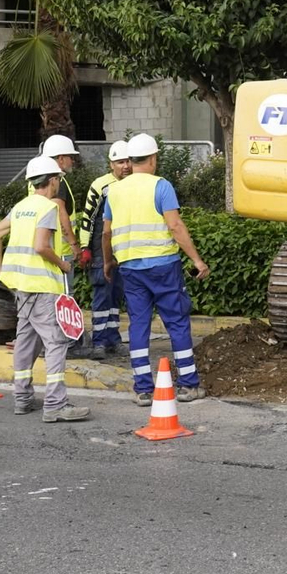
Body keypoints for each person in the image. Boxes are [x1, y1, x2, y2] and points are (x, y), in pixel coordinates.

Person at [101, 133, 210, 406]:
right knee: (176, 322)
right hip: (163, 265)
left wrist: (107, 261)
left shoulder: (114, 190)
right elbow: (175, 226)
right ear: (152, 159)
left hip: (130, 268)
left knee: (138, 325)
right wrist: (197, 260)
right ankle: (188, 385)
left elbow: (106, 232)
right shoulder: (161, 186)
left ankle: (143, 390)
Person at [0, 155, 91, 423]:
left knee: (26, 342)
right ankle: (56, 405)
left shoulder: (21, 207)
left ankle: (22, 399)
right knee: (56, 343)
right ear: (53, 181)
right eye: (58, 179)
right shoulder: (48, 208)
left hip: (22, 287)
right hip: (44, 286)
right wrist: (63, 265)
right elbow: (41, 246)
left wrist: (2, 269)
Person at [79, 140, 132, 360]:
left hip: (124, 249)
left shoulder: (134, 184)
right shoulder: (100, 185)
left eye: (128, 161)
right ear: (111, 164)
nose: (126, 166)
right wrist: (84, 248)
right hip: (101, 249)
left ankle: (113, 339)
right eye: (120, 162)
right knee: (102, 296)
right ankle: (99, 342)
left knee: (116, 297)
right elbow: (88, 218)